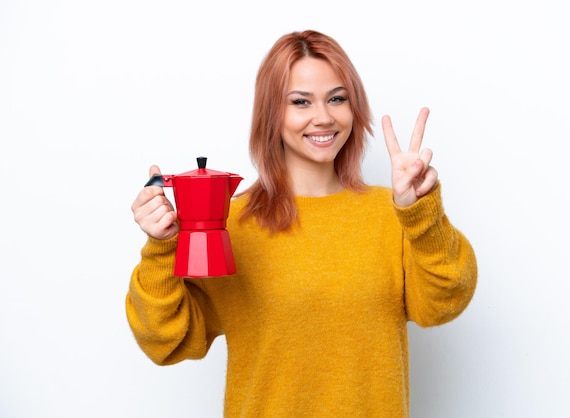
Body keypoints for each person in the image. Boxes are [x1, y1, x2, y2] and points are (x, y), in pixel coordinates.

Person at [126, 29, 478, 417]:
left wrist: (420, 213)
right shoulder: (230, 225)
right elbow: (166, 341)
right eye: (300, 102)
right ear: (271, 114)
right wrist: (160, 249)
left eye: (337, 99)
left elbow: (445, 302)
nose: (324, 117)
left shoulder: (392, 214)